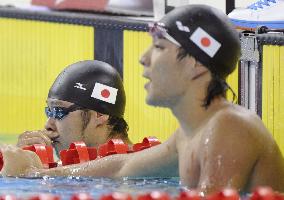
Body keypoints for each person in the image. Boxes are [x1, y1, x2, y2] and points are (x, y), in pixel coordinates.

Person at [1, 4, 284, 194]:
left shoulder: (229, 129)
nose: (144, 57)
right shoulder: (191, 134)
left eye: (159, 47)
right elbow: (123, 166)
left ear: (195, 64)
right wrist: (34, 172)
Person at [17, 60, 131, 156]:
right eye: (49, 112)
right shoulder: (79, 165)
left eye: (59, 111)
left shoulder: (139, 169)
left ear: (99, 114)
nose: (48, 126)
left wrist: (28, 173)